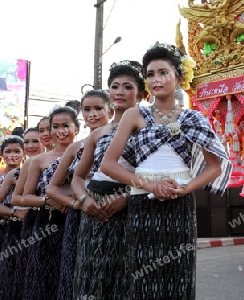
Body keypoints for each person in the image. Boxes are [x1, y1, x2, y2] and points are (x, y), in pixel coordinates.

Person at [101, 42, 231, 299]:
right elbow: (109, 164)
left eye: (163, 73)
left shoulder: (193, 118)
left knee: (178, 275)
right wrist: (149, 185)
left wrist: (185, 190)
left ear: (179, 78)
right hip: (141, 203)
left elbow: (214, 167)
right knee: (141, 276)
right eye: (150, 74)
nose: (155, 80)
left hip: (180, 206)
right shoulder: (134, 115)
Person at [70, 60, 147, 299]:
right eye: (115, 86)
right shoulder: (98, 134)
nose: (120, 92)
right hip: (94, 209)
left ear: (142, 94)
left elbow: (154, 174)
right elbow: (78, 177)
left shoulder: (147, 128)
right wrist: (84, 200)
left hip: (131, 207)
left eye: (128, 87)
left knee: (126, 277)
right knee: (91, 275)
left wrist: (128, 198)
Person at [46, 90, 111, 300]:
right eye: (87, 109)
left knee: (112, 271)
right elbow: (52, 188)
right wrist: (74, 203)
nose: (92, 114)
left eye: (98, 108)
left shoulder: (122, 137)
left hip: (114, 209)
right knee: (79, 272)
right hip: (81, 217)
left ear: (110, 109)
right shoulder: (76, 147)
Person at [19, 107, 79, 300]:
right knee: (44, 275)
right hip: (48, 221)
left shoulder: (86, 150)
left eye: (66, 125)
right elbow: (24, 197)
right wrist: (47, 200)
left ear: (76, 128)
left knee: (71, 273)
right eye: (55, 126)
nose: (60, 131)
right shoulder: (39, 160)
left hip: (78, 218)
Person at [0, 129, 43, 299]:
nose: (12, 155)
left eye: (17, 151)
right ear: (2, 155)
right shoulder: (9, 176)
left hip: (28, 227)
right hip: (8, 227)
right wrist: (13, 213)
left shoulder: (29, 171)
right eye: (7, 152)